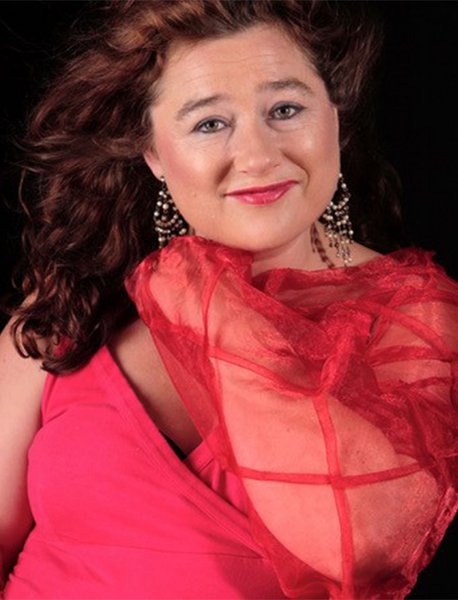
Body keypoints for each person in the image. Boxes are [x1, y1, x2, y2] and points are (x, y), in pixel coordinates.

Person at [0, 1, 456, 598]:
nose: (259, 155)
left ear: (334, 118)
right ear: (154, 153)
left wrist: (207, 299)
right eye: (209, 123)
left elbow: (364, 547)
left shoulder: (419, 313)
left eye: (285, 109)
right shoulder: (73, 299)